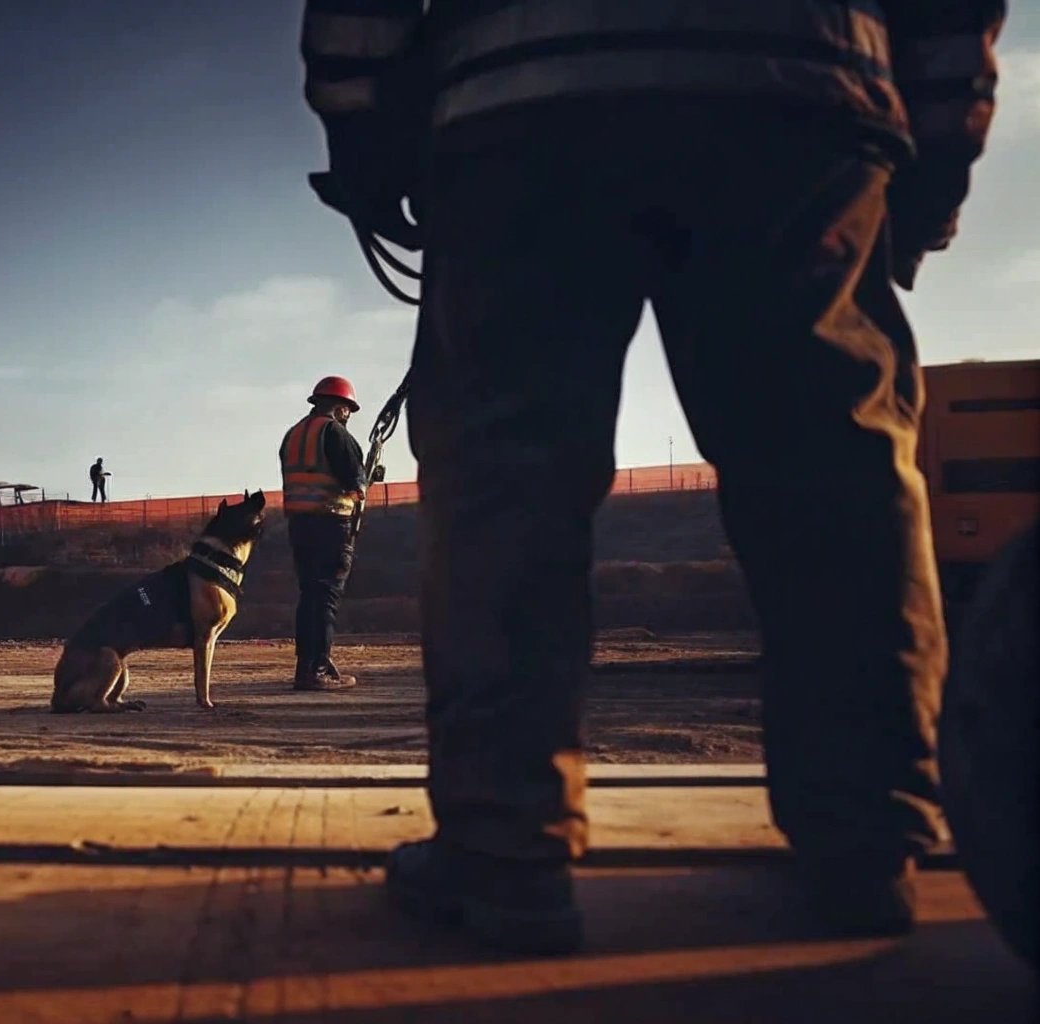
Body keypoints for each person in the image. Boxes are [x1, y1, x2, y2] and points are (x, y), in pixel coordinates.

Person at [300, 0, 1006, 954]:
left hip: (520, 107)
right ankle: (866, 844)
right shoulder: (326, 436)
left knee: (508, 482)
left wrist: (368, 142)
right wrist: (936, 166)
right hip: (800, 91)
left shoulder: (309, 432)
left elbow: (359, 19)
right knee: (833, 464)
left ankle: (506, 852)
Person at [279, 375, 368, 691]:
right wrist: (364, 484)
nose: (348, 416)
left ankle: (306, 666)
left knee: (310, 595)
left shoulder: (293, 435)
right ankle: (316, 670)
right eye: (348, 410)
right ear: (341, 406)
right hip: (331, 525)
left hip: (300, 526)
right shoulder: (335, 433)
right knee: (325, 597)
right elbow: (355, 482)